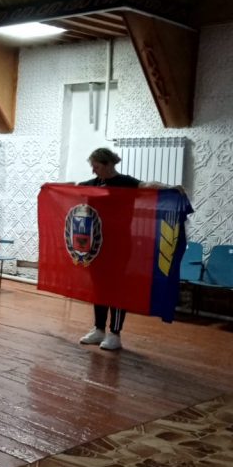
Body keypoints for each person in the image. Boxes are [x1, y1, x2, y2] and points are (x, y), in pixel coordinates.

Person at [78, 147, 181, 351]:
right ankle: (98, 329)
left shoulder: (126, 182)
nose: (93, 170)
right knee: (99, 288)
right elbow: (70, 188)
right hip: (96, 246)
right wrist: (49, 187)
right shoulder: (94, 184)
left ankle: (114, 334)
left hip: (119, 245)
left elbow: (148, 185)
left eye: (96, 166)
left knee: (117, 289)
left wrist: (170, 188)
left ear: (108, 164)